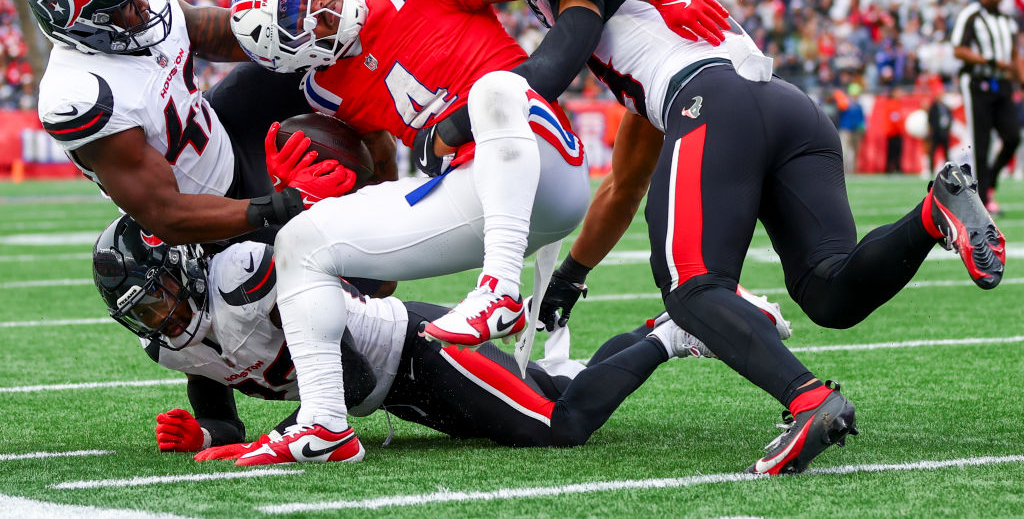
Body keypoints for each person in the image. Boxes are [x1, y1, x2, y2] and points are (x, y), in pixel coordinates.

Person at [455, 0, 1004, 475]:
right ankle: (932, 211)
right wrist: (572, 275)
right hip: (789, 108)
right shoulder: (657, 11)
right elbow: (625, 182)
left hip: (712, 103)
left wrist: (459, 120)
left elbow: (552, 67)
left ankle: (808, 399)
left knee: (692, 289)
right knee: (829, 290)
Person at [224, 0, 732, 460]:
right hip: (468, 194)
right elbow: (387, 162)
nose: (321, 6)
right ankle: (324, 425)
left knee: (493, 91)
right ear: (296, 55)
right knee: (300, 242)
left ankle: (500, 290)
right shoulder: (327, 91)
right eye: (304, 20)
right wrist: (324, 193)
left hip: (540, 159)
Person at [91, 214, 792, 462]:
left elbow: (350, 385)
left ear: (181, 265)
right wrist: (212, 435)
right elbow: (218, 395)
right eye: (141, 312)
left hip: (417, 350)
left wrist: (262, 441)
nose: (158, 318)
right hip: (398, 390)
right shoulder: (170, 339)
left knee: (560, 428)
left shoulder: (241, 274)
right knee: (551, 389)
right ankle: (654, 329)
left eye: (156, 296)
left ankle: (676, 329)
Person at [24, 0, 353, 247]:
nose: (145, 3)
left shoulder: (144, 2)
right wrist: (283, 204)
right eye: (126, 4)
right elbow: (167, 215)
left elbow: (223, 36)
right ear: (88, 24)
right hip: (206, 214)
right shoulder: (82, 96)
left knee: (327, 49)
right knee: (335, 278)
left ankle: (391, 186)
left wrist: (287, 2)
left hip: (222, 128)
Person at [951, 0, 1022, 214]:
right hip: (977, 82)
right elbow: (958, 49)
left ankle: (989, 180)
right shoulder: (971, 15)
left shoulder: (1007, 20)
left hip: (1001, 83)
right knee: (981, 143)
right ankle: (981, 200)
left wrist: (1020, 80)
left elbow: (1014, 55)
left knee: (1013, 137)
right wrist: (988, 61)